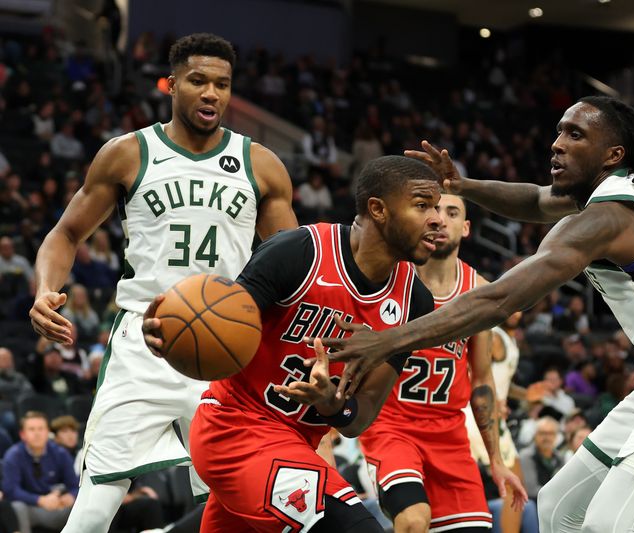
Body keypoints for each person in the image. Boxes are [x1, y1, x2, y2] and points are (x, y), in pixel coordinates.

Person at [319, 96, 634, 532]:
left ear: (613, 154)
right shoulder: (604, 196)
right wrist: (462, 187)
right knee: (557, 507)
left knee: (604, 524)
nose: (557, 143)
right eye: (559, 132)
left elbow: (498, 301)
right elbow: (534, 201)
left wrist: (388, 339)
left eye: (575, 135)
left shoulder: (608, 218)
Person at [28, 33, 297, 533]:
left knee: (238, 502)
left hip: (227, 347)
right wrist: (45, 290)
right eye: (198, 81)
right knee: (97, 500)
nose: (212, 93)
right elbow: (64, 234)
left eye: (222, 84)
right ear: (172, 85)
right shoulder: (128, 153)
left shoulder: (261, 164)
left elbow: (294, 266)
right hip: (144, 338)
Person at [142, 155, 443, 532]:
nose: (437, 218)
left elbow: (359, 417)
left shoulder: (415, 302)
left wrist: (333, 404)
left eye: (438, 207)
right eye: (422, 205)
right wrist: (170, 335)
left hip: (297, 443)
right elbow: (214, 326)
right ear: (378, 209)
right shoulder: (300, 252)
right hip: (237, 429)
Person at [358, 194, 525, 533]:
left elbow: (481, 380)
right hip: (392, 427)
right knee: (414, 520)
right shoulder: (392, 277)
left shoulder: (478, 291)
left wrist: (495, 458)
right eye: (434, 211)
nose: (441, 219)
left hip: (449, 435)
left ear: (465, 228)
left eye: (452, 212)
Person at [466, 309, 527, 533]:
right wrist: (491, 400)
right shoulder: (495, 336)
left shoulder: (507, 338)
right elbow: (468, 368)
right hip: (480, 414)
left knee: (467, 480)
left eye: (520, 307)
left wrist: (527, 395)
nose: (516, 312)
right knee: (515, 483)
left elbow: (500, 381)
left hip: (481, 413)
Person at [2, 411, 78, 533]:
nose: (37, 433)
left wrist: (71, 496)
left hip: (58, 506)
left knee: (83, 505)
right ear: (23, 434)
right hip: (31, 507)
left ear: (47, 432)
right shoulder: (13, 455)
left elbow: (75, 485)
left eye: (41, 429)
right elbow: (11, 490)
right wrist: (40, 500)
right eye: (32, 429)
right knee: (17, 507)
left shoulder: (60, 453)